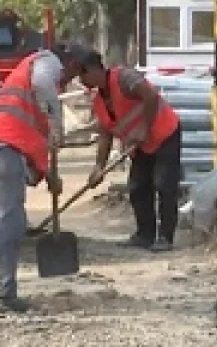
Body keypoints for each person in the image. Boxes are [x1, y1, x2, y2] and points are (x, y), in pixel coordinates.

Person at [0, 48, 69, 311]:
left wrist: (50, 175)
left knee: (5, 225)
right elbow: (43, 82)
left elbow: (32, 141)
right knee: (11, 220)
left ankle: (6, 292)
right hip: (5, 149)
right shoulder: (47, 61)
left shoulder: (24, 87)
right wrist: (57, 121)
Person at [67, 46, 182, 251]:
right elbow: (105, 134)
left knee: (164, 185)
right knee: (138, 188)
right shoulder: (99, 101)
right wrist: (98, 167)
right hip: (141, 146)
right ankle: (144, 234)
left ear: (94, 69)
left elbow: (151, 97)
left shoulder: (124, 78)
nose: (81, 81)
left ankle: (166, 237)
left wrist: (144, 128)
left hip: (164, 134)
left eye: (81, 74)